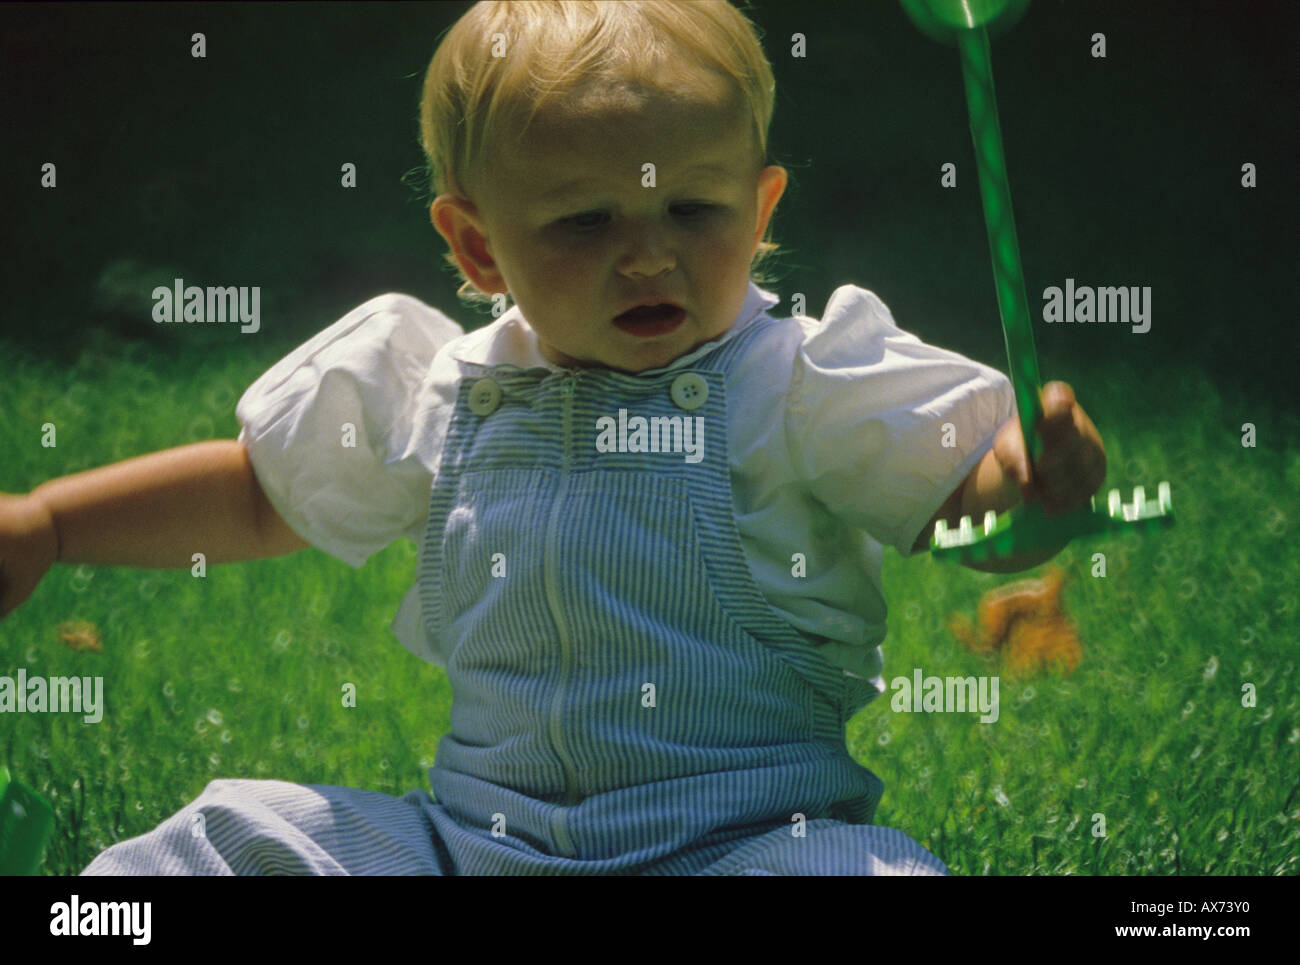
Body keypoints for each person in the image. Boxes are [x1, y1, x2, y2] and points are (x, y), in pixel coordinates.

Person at [0, 0, 1104, 875]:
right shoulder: (439, 386)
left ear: (761, 210)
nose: (648, 256)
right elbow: (251, 498)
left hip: (752, 843)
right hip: (474, 845)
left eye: (694, 210)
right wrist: (48, 526)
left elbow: (970, 501)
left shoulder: (796, 381)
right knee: (223, 837)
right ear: (478, 248)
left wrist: (1026, 480)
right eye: (586, 220)